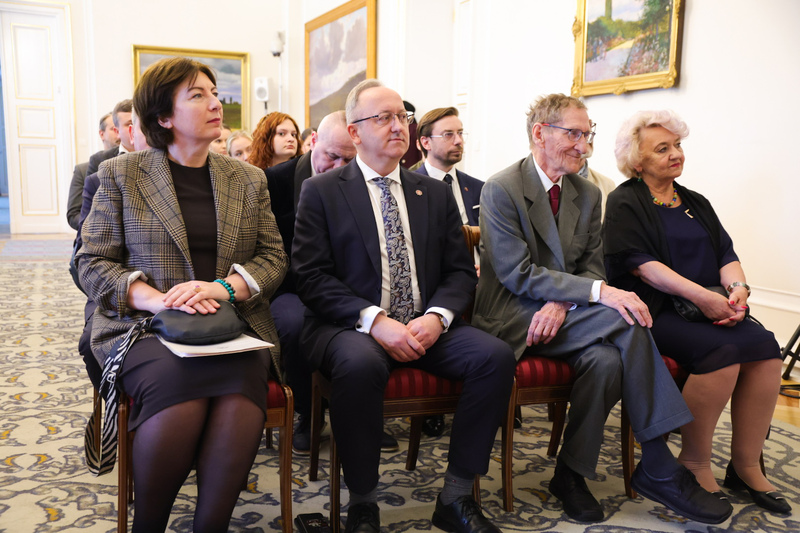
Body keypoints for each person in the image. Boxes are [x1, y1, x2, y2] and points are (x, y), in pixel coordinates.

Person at [472, 93, 732, 525]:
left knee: (607, 361)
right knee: (622, 315)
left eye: (587, 134)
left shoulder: (588, 193)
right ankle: (658, 462)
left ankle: (570, 475)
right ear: (540, 133)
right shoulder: (502, 188)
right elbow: (517, 273)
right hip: (512, 316)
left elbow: (592, 266)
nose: (584, 146)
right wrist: (591, 294)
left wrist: (564, 299)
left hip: (569, 314)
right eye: (574, 134)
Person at [292, 79, 515, 533]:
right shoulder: (322, 191)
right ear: (354, 132)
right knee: (359, 365)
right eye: (383, 118)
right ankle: (363, 503)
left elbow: (459, 272)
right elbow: (311, 277)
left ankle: (455, 498)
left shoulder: (432, 192)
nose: (398, 126)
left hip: (424, 323)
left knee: (495, 357)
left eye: (402, 117)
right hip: (349, 325)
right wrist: (375, 321)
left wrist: (438, 317)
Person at [76, 57, 288, 532]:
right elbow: (91, 263)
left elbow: (273, 258)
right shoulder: (121, 174)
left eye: (214, 92)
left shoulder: (247, 178)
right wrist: (159, 299)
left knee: (239, 393)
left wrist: (223, 288)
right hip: (143, 326)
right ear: (163, 116)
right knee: (178, 389)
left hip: (229, 326)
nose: (216, 103)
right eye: (197, 95)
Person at [604, 110, 789, 514]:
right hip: (656, 311)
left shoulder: (694, 201)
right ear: (637, 160)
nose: (676, 154)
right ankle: (695, 462)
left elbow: (726, 254)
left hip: (710, 306)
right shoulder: (624, 201)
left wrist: (738, 292)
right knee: (721, 353)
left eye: (677, 145)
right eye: (662, 148)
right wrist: (704, 299)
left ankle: (744, 466)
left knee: (765, 349)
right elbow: (642, 266)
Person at [264, 110, 365, 454]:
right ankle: (309, 414)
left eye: (348, 160)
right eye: (332, 156)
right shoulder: (275, 181)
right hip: (289, 285)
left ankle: (363, 413)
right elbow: (268, 250)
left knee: (375, 314)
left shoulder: (362, 180)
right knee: (296, 325)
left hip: (343, 284)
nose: (339, 167)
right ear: (313, 142)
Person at [415, 106, 483, 437]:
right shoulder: (410, 185)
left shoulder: (479, 188)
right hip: (435, 283)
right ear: (425, 142)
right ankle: (433, 404)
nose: (458, 141)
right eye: (449, 134)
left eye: (460, 133)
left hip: (479, 280)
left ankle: (493, 398)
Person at [87, 99, 134, 175]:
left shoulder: (153, 154)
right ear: (117, 131)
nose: (135, 128)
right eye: (129, 124)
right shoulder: (99, 160)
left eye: (138, 123)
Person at [577, 141, 615, 217]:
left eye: (587, 135)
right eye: (575, 135)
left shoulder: (608, 185)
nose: (586, 139)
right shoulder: (555, 182)